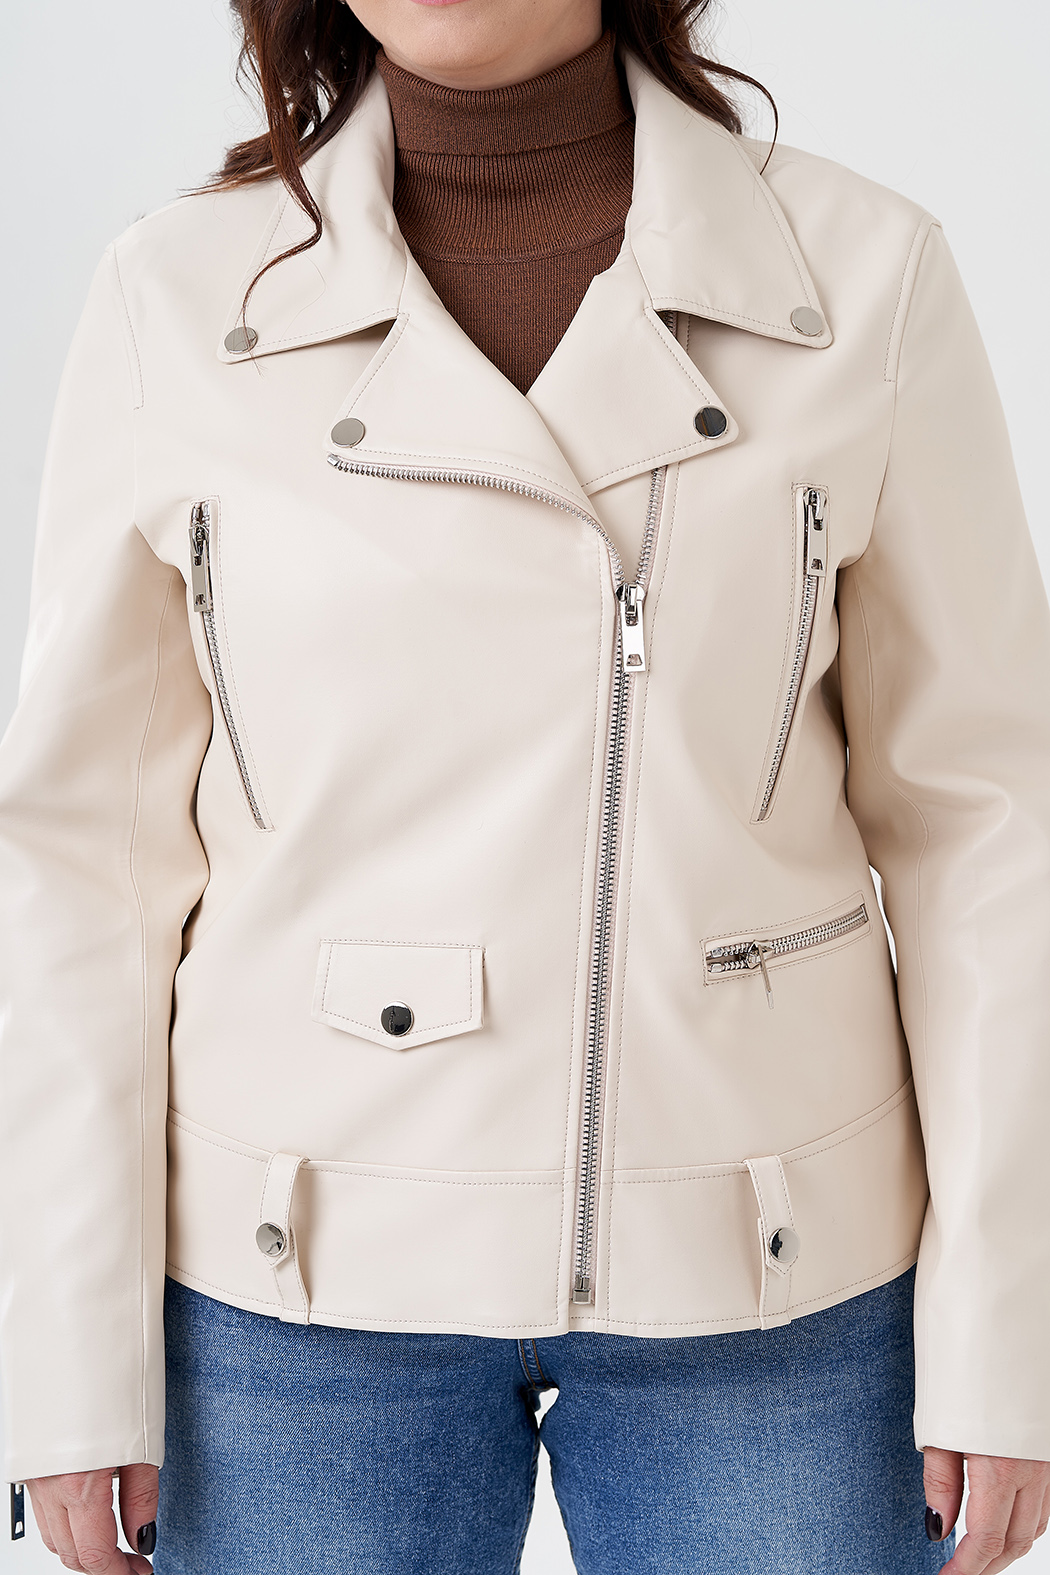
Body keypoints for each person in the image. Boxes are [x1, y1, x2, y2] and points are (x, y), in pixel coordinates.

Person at [1, 0, 1049, 1570]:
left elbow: (988, 829)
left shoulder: (860, 275)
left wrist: (1009, 1328)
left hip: (772, 1276)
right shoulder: (179, 296)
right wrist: (69, 1356)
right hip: (291, 1290)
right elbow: (83, 865)